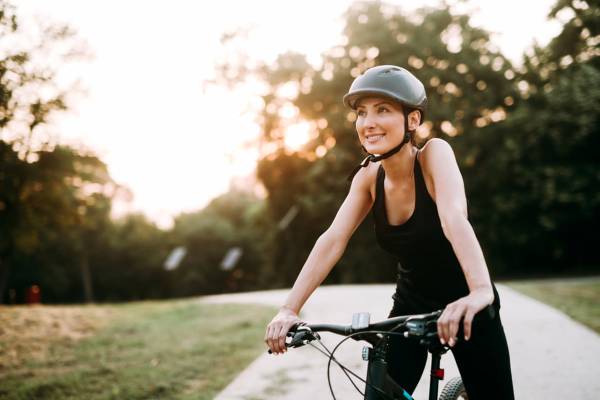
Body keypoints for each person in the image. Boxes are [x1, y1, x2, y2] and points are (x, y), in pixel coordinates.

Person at [264, 65, 514, 399]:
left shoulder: (434, 155)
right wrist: (289, 308)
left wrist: (481, 292)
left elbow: (454, 219)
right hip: (411, 305)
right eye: (362, 112)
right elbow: (333, 240)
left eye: (383, 110)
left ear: (412, 120)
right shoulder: (368, 178)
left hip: (466, 302)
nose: (368, 123)